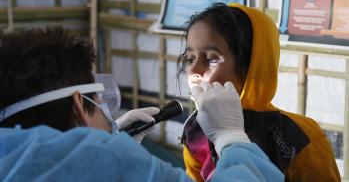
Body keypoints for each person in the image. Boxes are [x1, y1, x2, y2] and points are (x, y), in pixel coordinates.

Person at [0, 27, 284, 181]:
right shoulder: (102, 160)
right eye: (101, 103)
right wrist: (231, 137)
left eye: (211, 58)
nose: (197, 71)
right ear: (78, 106)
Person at [177, 3, 340, 182]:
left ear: (253, 65)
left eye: (211, 59)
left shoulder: (301, 138)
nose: (194, 71)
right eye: (190, 58)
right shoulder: (196, 129)